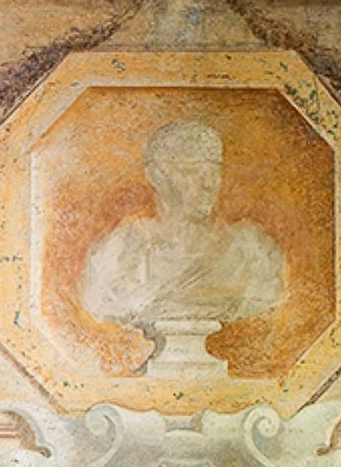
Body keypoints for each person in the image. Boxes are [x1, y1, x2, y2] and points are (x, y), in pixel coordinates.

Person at [76, 119, 285, 378]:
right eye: (193, 172)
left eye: (213, 171)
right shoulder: (120, 252)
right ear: (157, 176)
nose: (209, 184)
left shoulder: (249, 252)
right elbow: (100, 299)